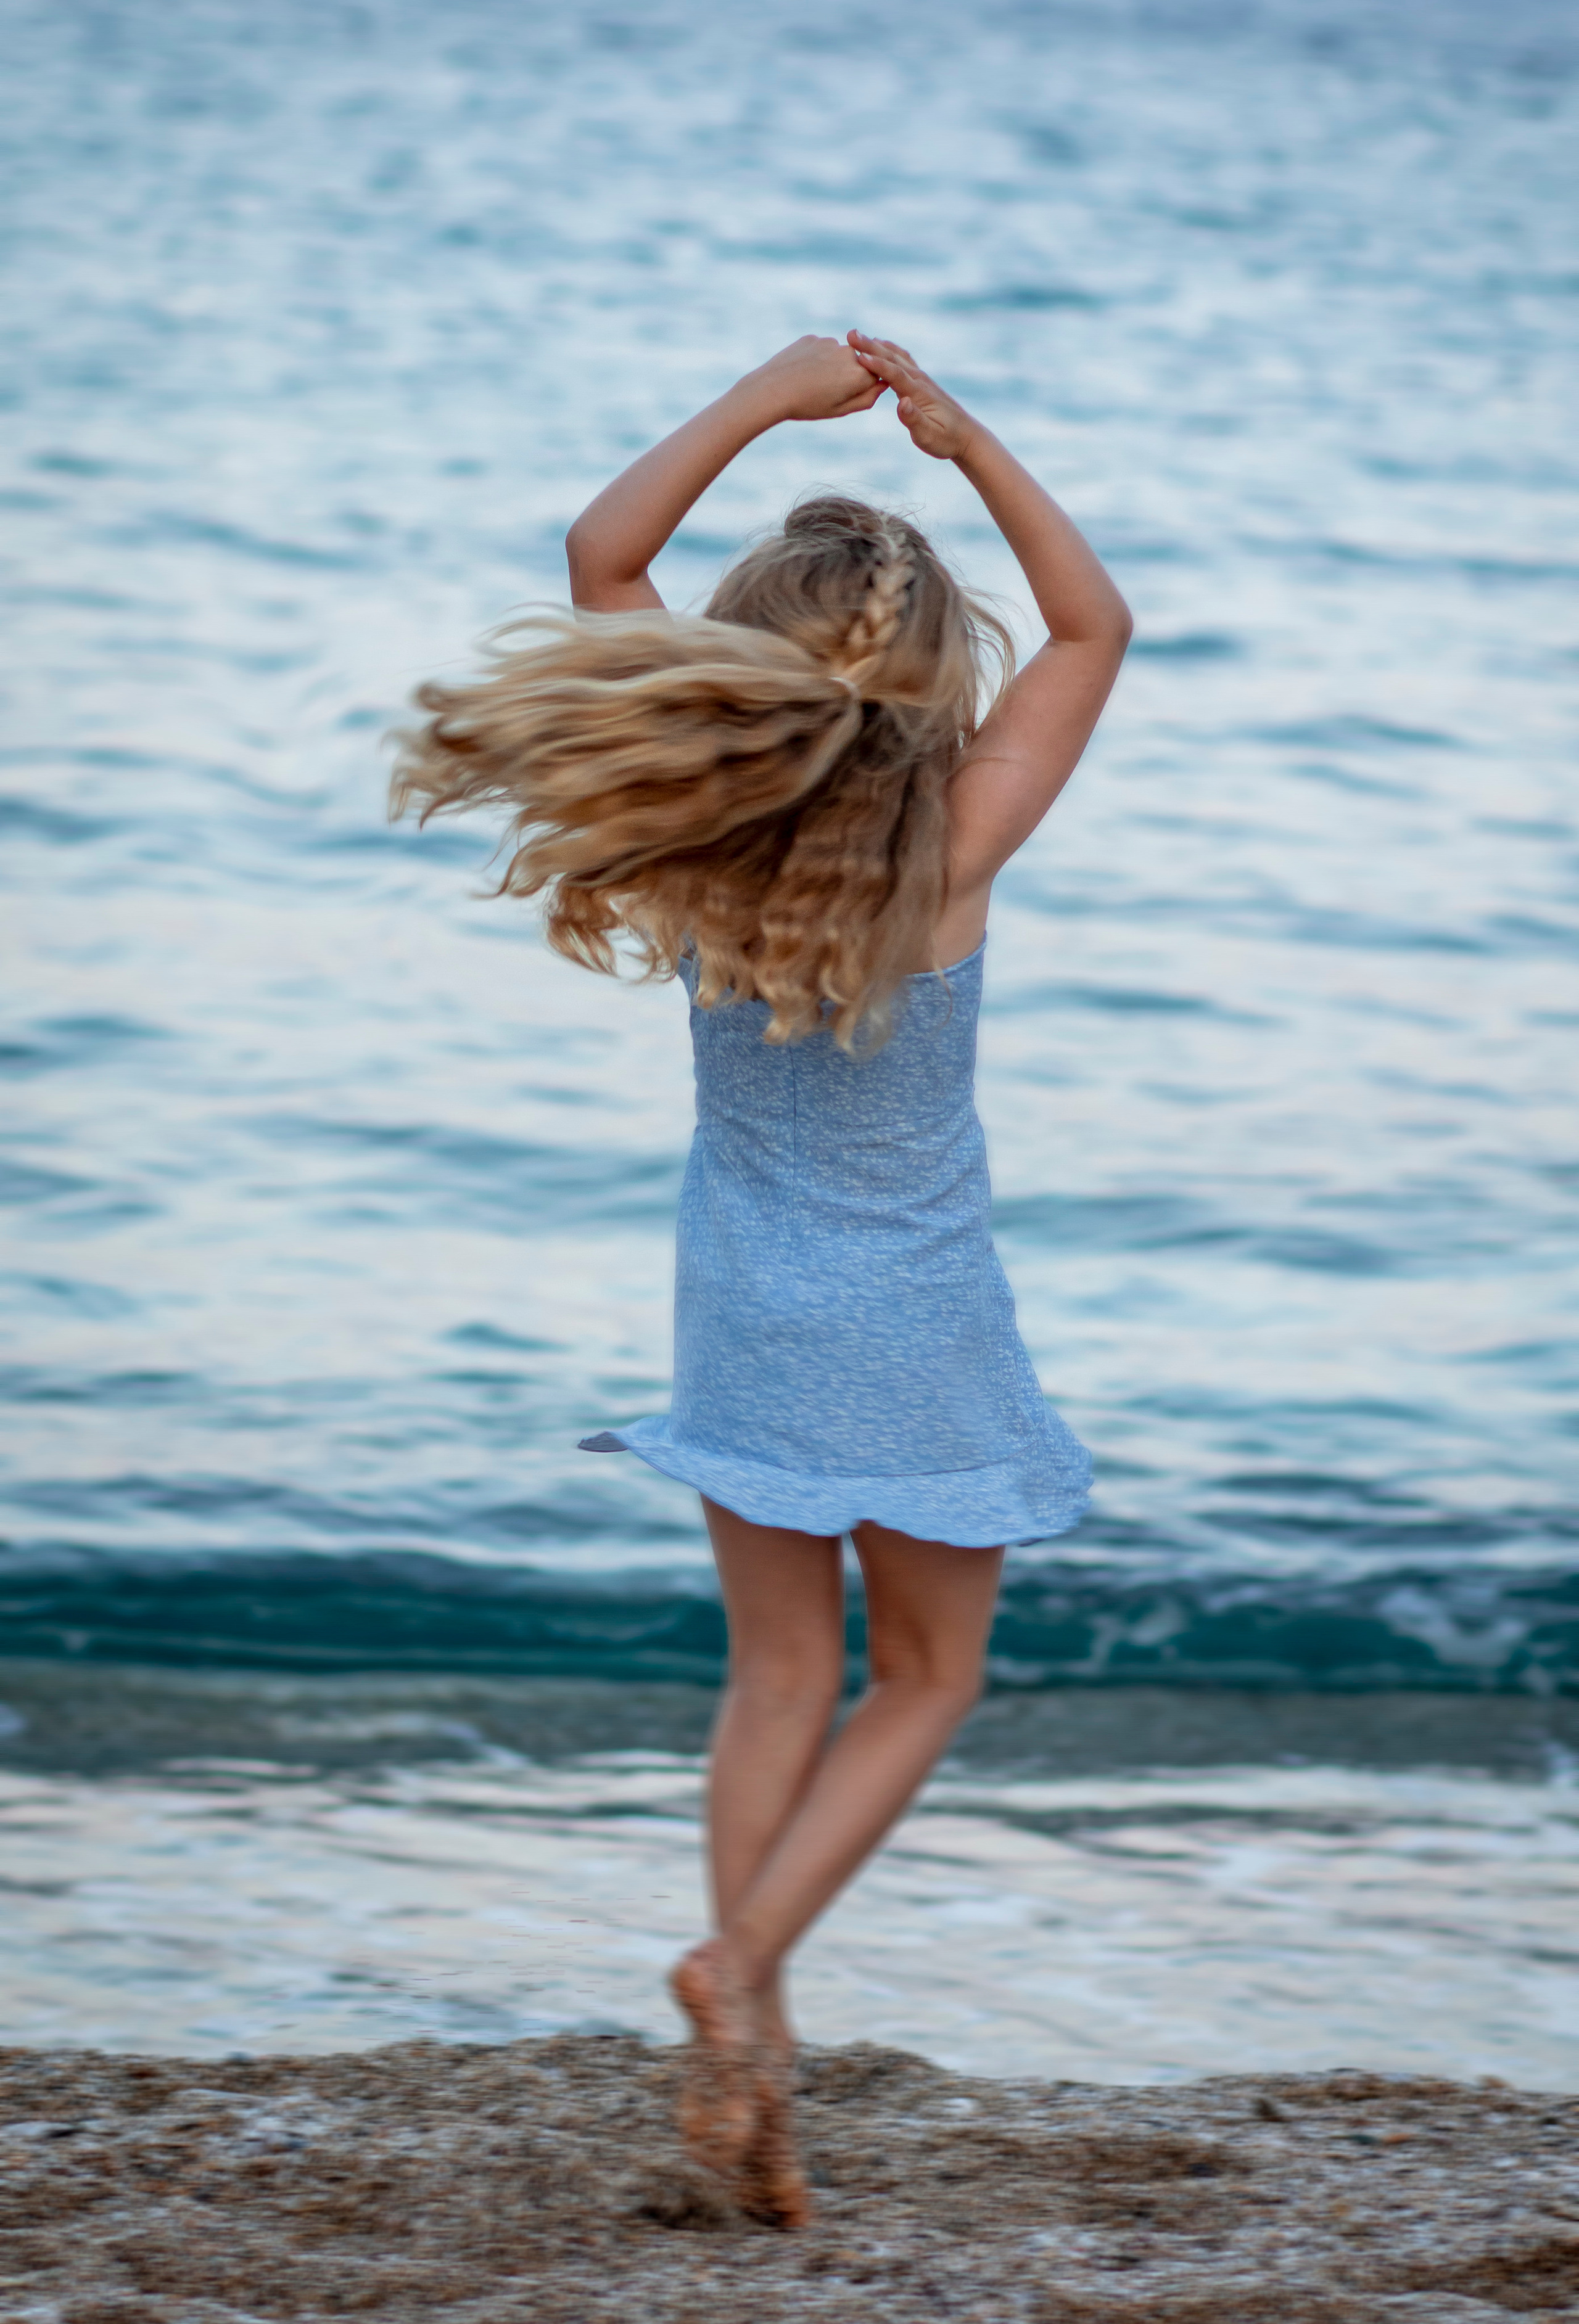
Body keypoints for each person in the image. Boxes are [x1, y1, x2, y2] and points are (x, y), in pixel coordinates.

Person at [392, 331, 1131, 2225]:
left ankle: (756, 2041)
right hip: (916, 1310)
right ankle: (741, 1967)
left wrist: (753, 401)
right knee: (930, 1672)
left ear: (736, 671)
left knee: (780, 1668)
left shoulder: (698, 824)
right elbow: (1094, 628)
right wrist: (967, 441)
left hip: (737, 1294)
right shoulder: (954, 843)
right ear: (931, 675)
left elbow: (598, 555)